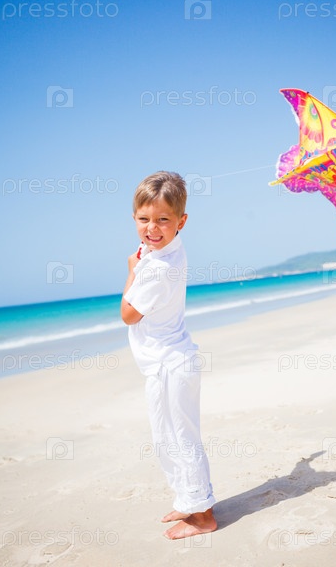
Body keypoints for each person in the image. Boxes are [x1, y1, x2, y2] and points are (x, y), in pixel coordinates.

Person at [121, 171, 217, 540]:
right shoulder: (165, 250)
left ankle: (203, 515)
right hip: (165, 362)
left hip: (170, 364)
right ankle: (188, 500)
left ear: (181, 221)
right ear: (134, 218)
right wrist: (143, 257)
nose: (152, 228)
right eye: (144, 219)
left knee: (181, 438)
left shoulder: (159, 268)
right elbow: (152, 245)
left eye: (163, 219)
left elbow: (128, 314)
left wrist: (131, 272)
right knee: (166, 437)